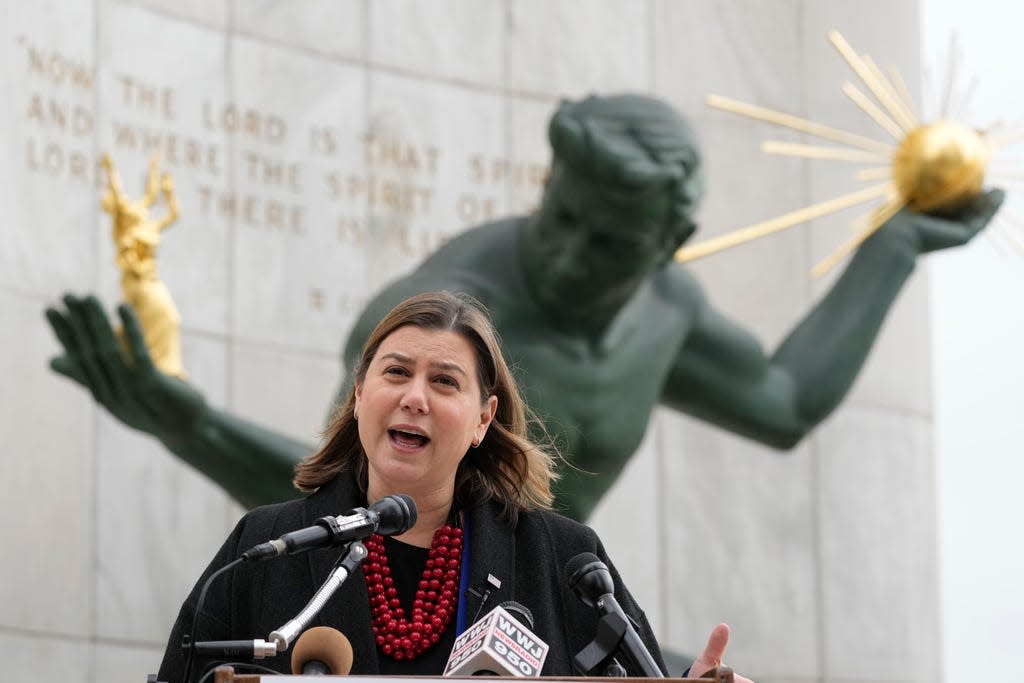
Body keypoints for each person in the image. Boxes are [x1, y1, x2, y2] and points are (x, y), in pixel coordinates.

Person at [45, 94, 1004, 521]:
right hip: (414, 620)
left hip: (546, 606)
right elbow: (344, 508)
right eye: (564, 217)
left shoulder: (667, 310)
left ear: (665, 246)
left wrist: (891, 250)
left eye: (610, 242)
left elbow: (786, 404)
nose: (570, 253)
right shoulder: (445, 319)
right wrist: (192, 426)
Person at [155, 291, 751, 682]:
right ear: (360, 393)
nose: (415, 397)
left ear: (482, 420)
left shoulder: (566, 560)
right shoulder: (267, 547)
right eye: (396, 373)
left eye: (444, 381)